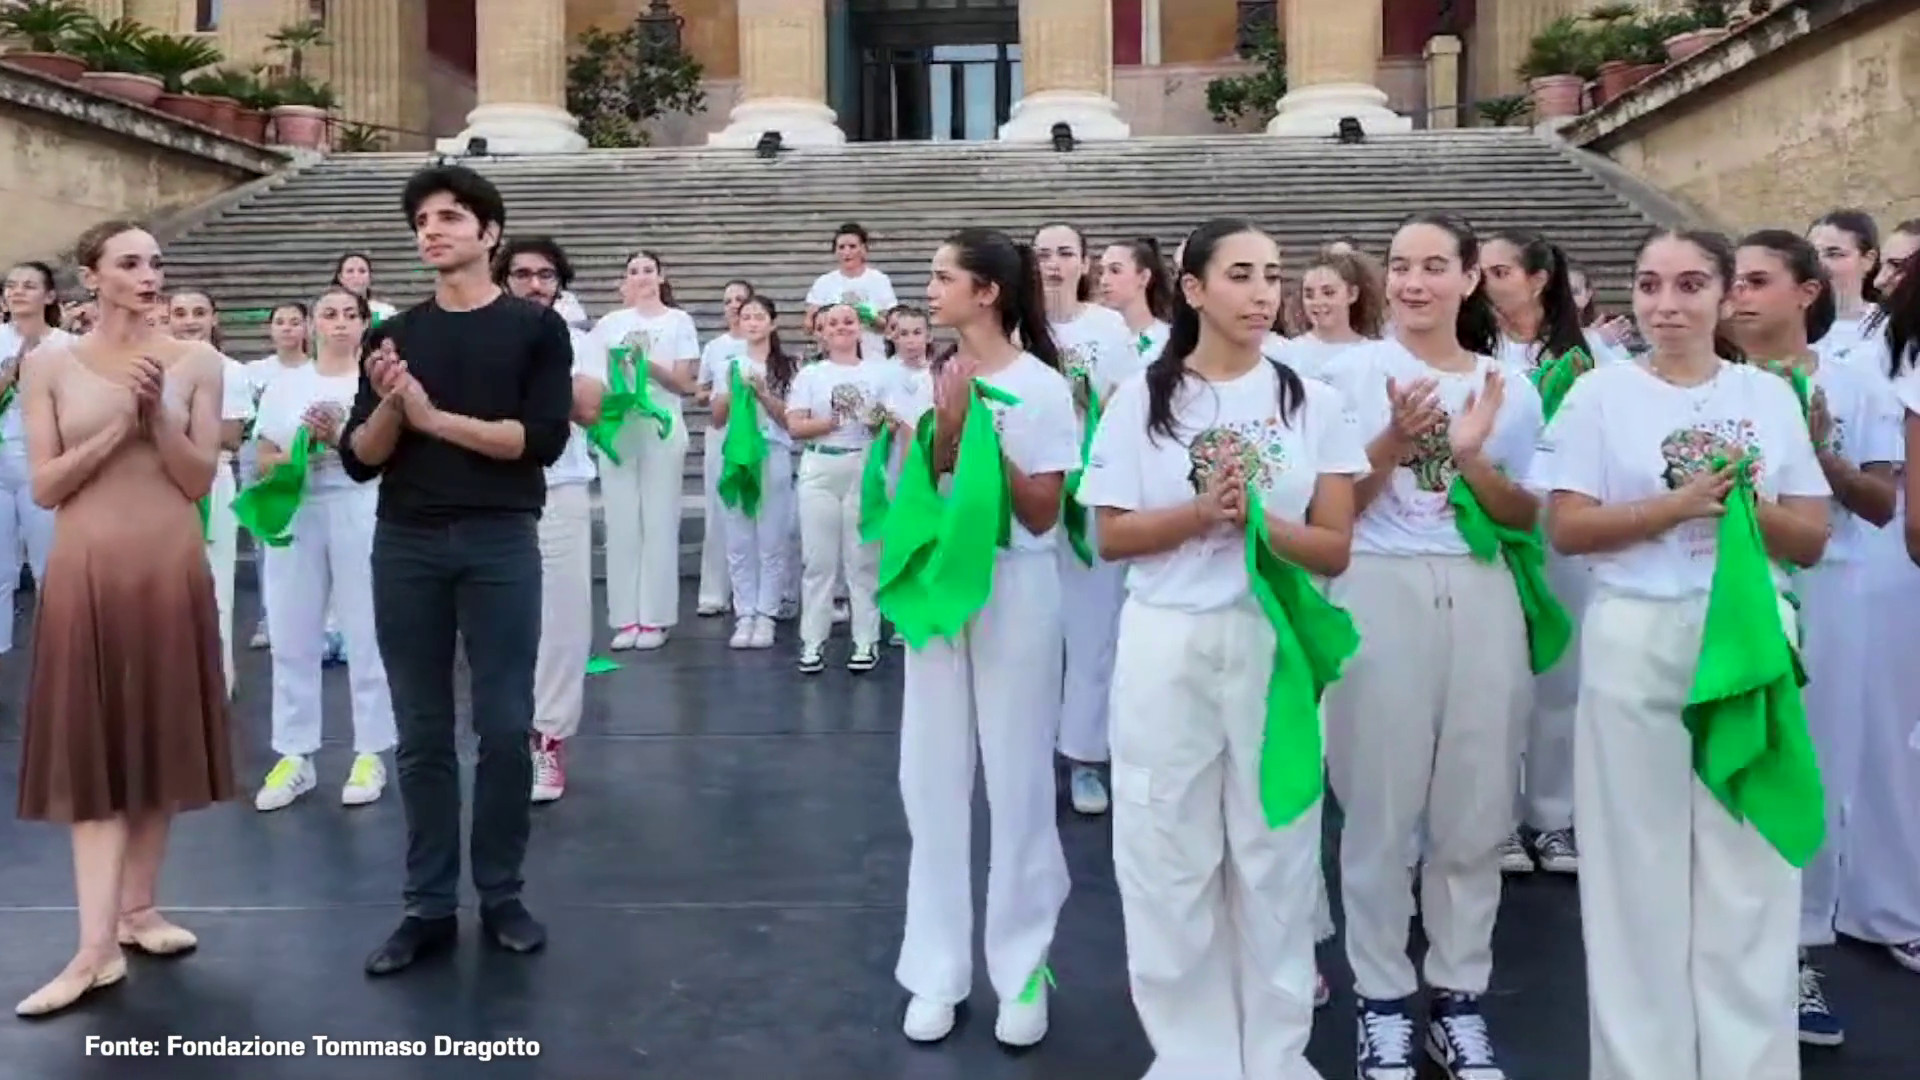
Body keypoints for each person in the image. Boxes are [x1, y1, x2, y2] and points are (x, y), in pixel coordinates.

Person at [1536, 228, 1829, 1080]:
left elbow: (1808, 535)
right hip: (1637, 632)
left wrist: (1734, 505)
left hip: (1745, 638)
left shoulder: (1768, 396)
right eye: (1652, 285)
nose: (1668, 305)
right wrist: (1677, 506)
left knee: (1749, 865)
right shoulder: (1598, 397)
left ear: (1725, 293)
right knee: (1637, 869)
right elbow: (1571, 524)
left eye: (1690, 285)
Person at [1080, 217, 1367, 1078]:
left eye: (1273, 274)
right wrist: (1200, 517)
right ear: (1194, 288)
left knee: (1276, 853)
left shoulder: (1309, 401)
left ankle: (1275, 1054)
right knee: (1167, 851)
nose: (1263, 292)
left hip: (1271, 643)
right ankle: (1192, 1053)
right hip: (1169, 642)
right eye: (1241, 274)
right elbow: (1113, 536)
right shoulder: (1143, 398)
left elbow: (1334, 547)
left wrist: (1259, 525)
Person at [1322, 213, 1544, 1080]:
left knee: (1476, 805)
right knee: (1378, 803)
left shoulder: (1506, 385)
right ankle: (1380, 998)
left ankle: (1459, 996)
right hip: (1378, 583)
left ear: (1467, 279)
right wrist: (1393, 441)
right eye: (1401, 267)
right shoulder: (1347, 375)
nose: (1415, 284)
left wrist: (1472, 459)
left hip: (1481, 588)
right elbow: (1331, 508)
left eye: (1434, 268)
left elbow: (1532, 516)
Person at [337, 165, 573, 975]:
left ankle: (501, 892)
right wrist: (396, 411)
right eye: (422, 220)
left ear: (488, 234)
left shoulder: (534, 329)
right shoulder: (393, 335)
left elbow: (541, 439)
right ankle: (427, 904)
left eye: (449, 217)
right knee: (422, 731)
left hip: (501, 538)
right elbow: (360, 458)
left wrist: (436, 417)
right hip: (405, 542)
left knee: (505, 726)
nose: (431, 230)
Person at [13, 219, 233, 1017]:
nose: (149, 276)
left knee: (155, 744)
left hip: (169, 572)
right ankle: (93, 948)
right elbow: (45, 486)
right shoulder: (47, 366)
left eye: (156, 263)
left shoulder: (198, 362)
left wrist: (162, 420)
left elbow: (198, 479)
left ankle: (138, 910)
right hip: (88, 577)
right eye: (130, 263)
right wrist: (119, 425)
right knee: (96, 762)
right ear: (92, 275)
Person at [889, 228, 1078, 1049]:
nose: (929, 291)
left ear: (988, 291)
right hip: (939, 587)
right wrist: (940, 426)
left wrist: (978, 435)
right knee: (929, 779)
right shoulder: (928, 377)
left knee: (1018, 778)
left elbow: (1043, 511)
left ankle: (1024, 965)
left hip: (1015, 583)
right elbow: (918, 490)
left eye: (942, 277)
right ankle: (935, 968)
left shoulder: (1041, 386)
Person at [1727, 229, 1902, 1045]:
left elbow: (1878, 505)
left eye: (1758, 279)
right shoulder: (1705, 383)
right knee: (1724, 759)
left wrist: (1821, 446)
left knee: (1815, 768)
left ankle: (1797, 950)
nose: (1739, 294)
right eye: (1732, 279)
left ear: (1805, 291)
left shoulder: (1858, 381)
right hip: (1722, 594)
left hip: (1830, 593)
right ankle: (1722, 946)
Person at [250, 286, 397, 811]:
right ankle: (294, 753)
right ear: (312, 324)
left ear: (364, 323)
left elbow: (392, 451)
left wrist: (342, 440)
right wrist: (300, 450)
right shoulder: (285, 385)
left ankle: (371, 749)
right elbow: (263, 458)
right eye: (328, 314)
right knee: (292, 630)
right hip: (299, 507)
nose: (338, 324)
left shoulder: (376, 383)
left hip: (362, 503)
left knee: (367, 628)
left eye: (349, 315)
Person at [1035, 221, 1142, 817]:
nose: (1054, 264)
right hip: (1031, 496)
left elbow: (1128, 406)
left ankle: (1085, 757)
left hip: (1092, 493)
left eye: (1065, 254)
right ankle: (1027, 751)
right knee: (1033, 633)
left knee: (1094, 631)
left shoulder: (1107, 327)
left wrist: (1095, 404)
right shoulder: (1020, 327)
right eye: (1045, 254)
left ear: (1085, 264)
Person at [495, 235, 606, 805]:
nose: (534, 285)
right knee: (497, 621)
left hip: (557, 488)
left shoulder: (581, 341)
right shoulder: (482, 333)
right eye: (522, 274)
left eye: (545, 275)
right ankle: (506, 736)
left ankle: (548, 737)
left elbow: (587, 407)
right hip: (490, 490)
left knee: (561, 621)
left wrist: (534, 358)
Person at [588, 250, 699, 651]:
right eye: (633, 271)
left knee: (658, 520)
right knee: (621, 523)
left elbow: (684, 383)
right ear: (625, 280)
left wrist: (645, 364)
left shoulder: (677, 321)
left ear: (661, 276)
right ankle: (625, 617)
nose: (641, 277)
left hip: (661, 423)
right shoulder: (609, 324)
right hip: (620, 427)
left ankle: (655, 617)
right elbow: (593, 374)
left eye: (648, 270)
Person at [167, 289, 255, 697]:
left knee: (215, 584)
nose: (189, 321)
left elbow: (232, 437)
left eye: (199, 312)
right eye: (180, 313)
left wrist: (166, 426)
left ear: (214, 318)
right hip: (161, 483)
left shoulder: (230, 370)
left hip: (211, 480)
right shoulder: (157, 366)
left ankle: (217, 681)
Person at [712, 295, 797, 650]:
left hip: (772, 452)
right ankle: (744, 611)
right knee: (738, 538)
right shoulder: (728, 364)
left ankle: (767, 613)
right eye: (746, 316)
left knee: (772, 539)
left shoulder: (787, 366)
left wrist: (762, 394)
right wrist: (731, 393)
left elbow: (790, 420)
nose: (752, 323)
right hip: (736, 455)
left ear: (772, 324)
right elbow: (717, 418)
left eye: (759, 316)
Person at [0, 261, 71, 655]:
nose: (17, 292)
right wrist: (8, 376)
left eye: (29, 286)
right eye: (11, 286)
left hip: (44, 468)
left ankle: (59, 663)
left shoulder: (68, 346)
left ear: (49, 295)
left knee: (51, 570)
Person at [694, 280, 755, 618]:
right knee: (719, 510)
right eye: (728, 300)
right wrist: (718, 395)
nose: (733, 306)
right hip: (722, 431)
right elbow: (699, 391)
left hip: (754, 434)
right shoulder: (716, 347)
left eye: (740, 300)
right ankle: (714, 590)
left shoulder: (760, 347)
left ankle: (752, 590)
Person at [806, 223, 897, 361]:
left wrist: (872, 318)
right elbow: (808, 325)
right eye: (841, 247)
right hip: (832, 360)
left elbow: (892, 325)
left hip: (873, 358)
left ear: (864, 249)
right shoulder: (823, 283)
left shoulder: (879, 280)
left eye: (852, 247)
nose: (846, 252)